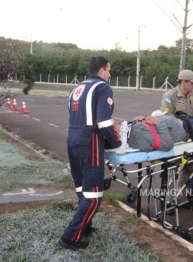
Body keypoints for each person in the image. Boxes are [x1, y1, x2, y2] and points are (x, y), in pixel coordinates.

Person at [59, 56, 122, 251]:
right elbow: (104, 123)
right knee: (94, 195)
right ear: (102, 71)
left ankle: (84, 226)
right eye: (109, 70)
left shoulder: (76, 89)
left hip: (72, 141)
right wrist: (117, 143)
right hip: (90, 143)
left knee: (83, 191)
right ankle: (70, 237)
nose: (110, 74)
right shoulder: (103, 88)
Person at [159, 69, 193, 208]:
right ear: (183, 82)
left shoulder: (191, 95)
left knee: (189, 167)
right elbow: (165, 121)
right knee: (173, 171)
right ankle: (169, 200)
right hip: (175, 141)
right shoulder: (170, 96)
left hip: (188, 139)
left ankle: (176, 195)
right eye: (192, 83)